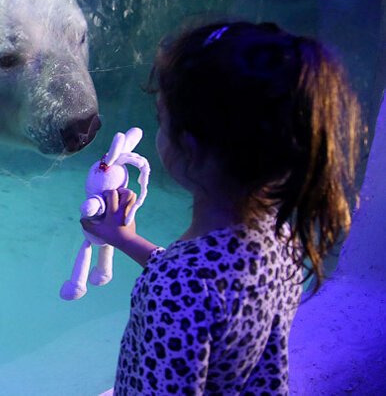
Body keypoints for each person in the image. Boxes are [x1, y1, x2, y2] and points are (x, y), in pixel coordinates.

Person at [82, 21, 365, 395]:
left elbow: (188, 296)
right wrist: (126, 239)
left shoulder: (175, 291)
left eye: (161, 119)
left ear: (190, 145)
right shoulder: (282, 238)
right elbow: (209, 289)